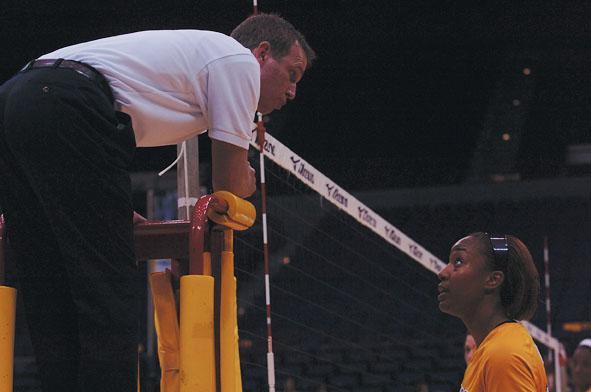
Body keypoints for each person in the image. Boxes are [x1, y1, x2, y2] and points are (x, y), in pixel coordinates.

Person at [0, 13, 315, 391]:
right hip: (67, 102)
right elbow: (228, 182)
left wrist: (106, 205)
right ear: (262, 53)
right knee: (106, 291)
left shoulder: (190, 68)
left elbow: (88, 155)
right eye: (292, 74)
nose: (293, 92)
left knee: (51, 285)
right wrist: (248, 176)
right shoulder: (237, 61)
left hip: (17, 100)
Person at [437, 232, 547, 391]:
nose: (442, 273)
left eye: (458, 261)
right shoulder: (488, 350)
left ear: (493, 280)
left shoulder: (503, 354)